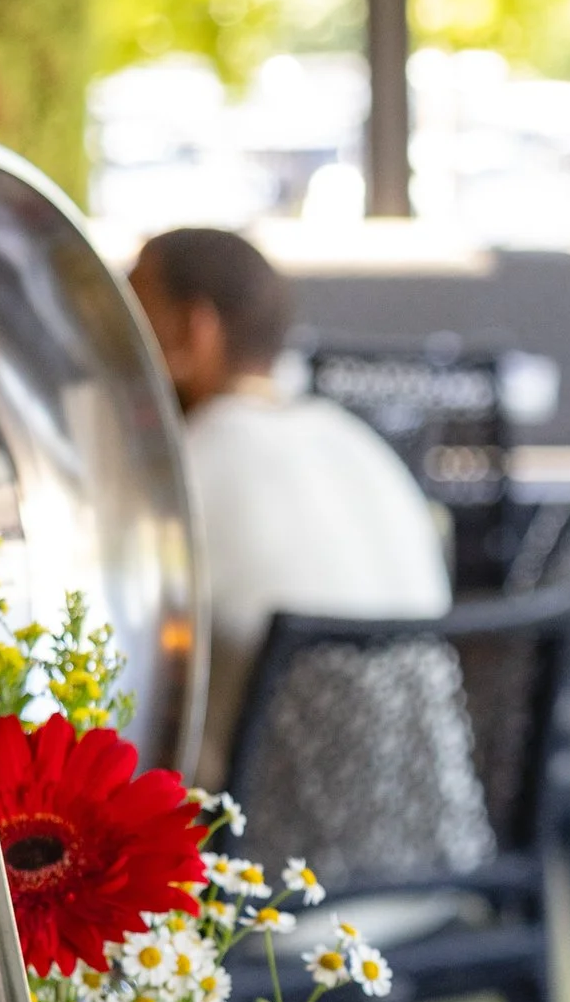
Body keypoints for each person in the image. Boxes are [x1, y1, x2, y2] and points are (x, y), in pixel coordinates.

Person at [129, 225, 453, 795]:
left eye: (133, 318)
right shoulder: (360, 444)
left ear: (192, 333)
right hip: (429, 848)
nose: (117, 352)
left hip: (268, 862)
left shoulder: (182, 474)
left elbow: (109, 661)